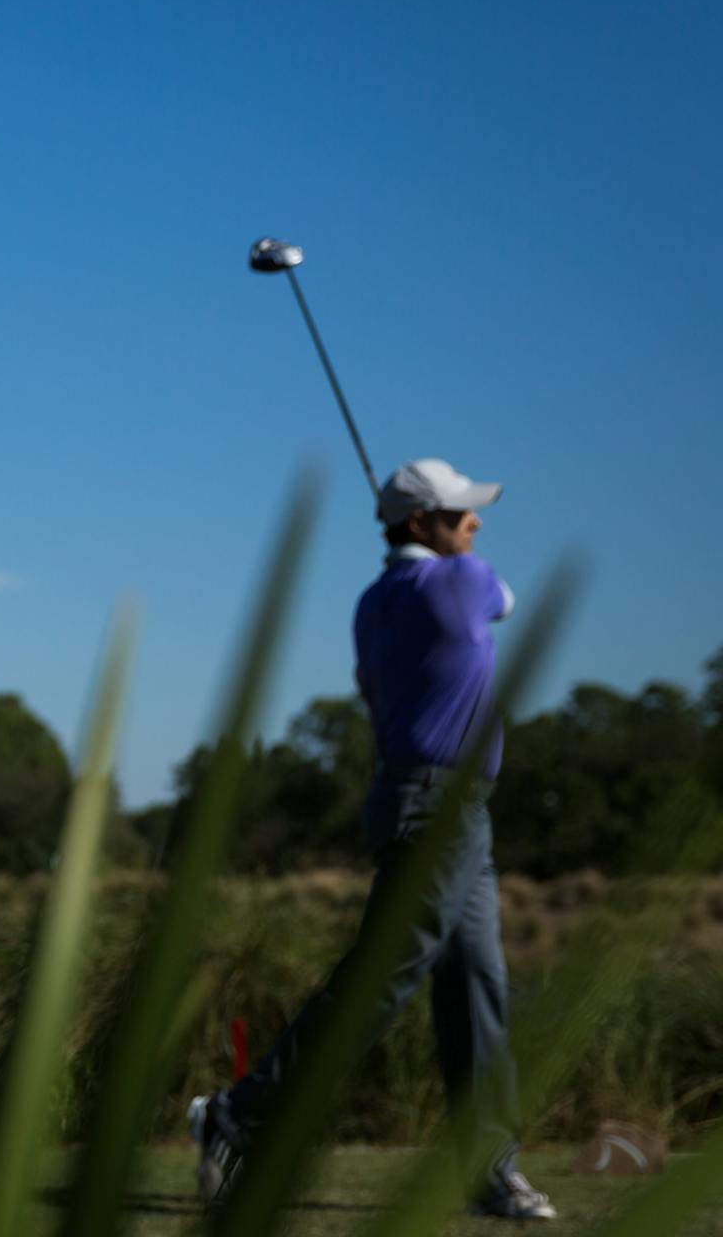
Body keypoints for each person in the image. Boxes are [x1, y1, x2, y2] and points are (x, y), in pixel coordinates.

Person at [191, 458, 555, 1221]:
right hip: (440, 807)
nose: (475, 523)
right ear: (421, 524)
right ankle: (237, 1114)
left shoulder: (372, 602)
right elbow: (508, 599)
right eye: (460, 513)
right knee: (385, 977)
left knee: (477, 982)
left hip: (430, 804)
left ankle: (490, 1168)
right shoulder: (460, 582)